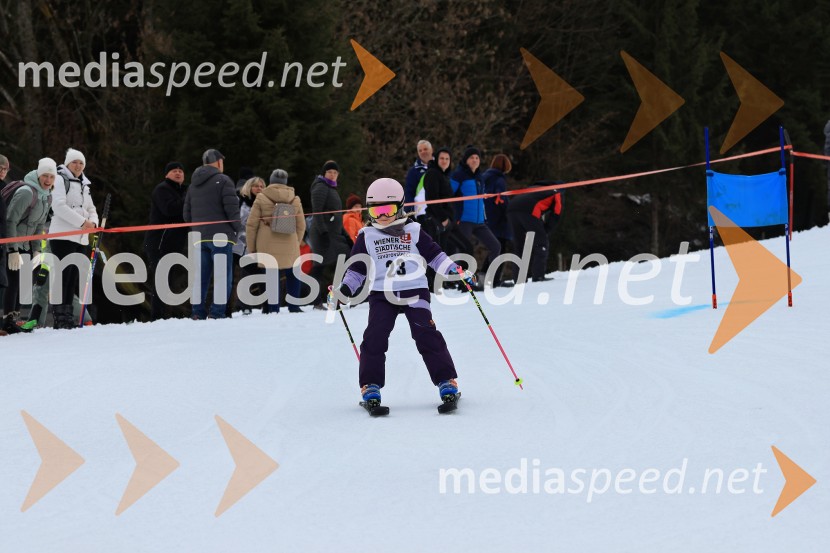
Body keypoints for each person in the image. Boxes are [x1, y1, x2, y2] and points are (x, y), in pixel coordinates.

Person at [330, 177, 472, 410]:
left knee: (425, 332)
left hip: (414, 290)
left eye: (389, 209)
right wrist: (343, 291)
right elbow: (356, 269)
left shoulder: (413, 230)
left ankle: (447, 381)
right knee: (375, 335)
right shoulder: (367, 235)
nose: (383, 215)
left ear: (401, 207)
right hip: (381, 294)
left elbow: (436, 256)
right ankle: (370, 385)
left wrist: (455, 271)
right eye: (377, 210)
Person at [183, 148, 241, 319]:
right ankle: (217, 312)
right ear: (219, 162)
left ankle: (197, 312)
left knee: (201, 277)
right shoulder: (223, 180)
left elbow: (186, 214)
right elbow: (232, 210)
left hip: (200, 238)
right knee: (223, 276)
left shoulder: (193, 184)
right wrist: (237, 229)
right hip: (222, 236)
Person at [2, 158, 55, 333]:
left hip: (26, 244)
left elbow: (39, 225)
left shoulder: (47, 196)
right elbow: (10, 220)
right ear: (39, 175)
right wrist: (12, 249)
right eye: (45, 176)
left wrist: (37, 250)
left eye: (51, 177)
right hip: (12, 243)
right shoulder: (26, 193)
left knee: (22, 282)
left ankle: (14, 318)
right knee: (13, 282)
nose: (48, 180)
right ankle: (7, 320)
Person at [48, 148, 99, 329]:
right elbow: (58, 206)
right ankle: (59, 316)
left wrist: (92, 223)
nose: (78, 166)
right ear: (67, 163)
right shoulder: (60, 179)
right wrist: (82, 222)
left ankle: (67, 315)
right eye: (74, 162)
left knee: (72, 276)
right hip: (62, 235)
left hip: (81, 237)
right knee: (63, 275)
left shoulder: (85, 184)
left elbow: (91, 208)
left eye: (81, 163)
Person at [246, 169, 306, 313]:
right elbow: (301, 225)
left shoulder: (261, 198)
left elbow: (251, 224)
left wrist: (252, 247)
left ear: (271, 181)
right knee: (293, 273)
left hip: (267, 242)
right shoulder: (295, 199)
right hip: (290, 240)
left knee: (272, 274)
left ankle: (274, 308)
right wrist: (296, 242)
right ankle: (294, 306)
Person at [450, 146, 501, 284]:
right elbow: (448, 195)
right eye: (471, 157)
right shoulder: (458, 175)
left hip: (479, 221)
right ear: (466, 160)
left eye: (477, 158)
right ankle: (460, 281)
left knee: (495, 246)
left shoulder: (480, 177)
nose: (474, 160)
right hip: (464, 220)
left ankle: (485, 276)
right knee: (463, 251)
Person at [144, 161, 188, 320]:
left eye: (181, 171)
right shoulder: (162, 189)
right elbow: (170, 210)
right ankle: (157, 317)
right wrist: (187, 199)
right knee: (161, 279)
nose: (178, 173)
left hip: (172, 242)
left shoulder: (183, 190)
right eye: (174, 171)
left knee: (168, 279)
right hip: (158, 241)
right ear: (166, 174)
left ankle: (164, 316)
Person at [308, 160, 350, 308]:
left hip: (334, 234)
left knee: (344, 260)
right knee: (320, 266)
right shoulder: (320, 187)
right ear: (324, 173)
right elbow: (318, 212)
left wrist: (345, 235)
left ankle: (337, 297)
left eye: (335, 172)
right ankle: (317, 300)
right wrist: (323, 232)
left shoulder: (331, 188)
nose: (332, 175)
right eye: (329, 172)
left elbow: (336, 216)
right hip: (322, 234)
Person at [506, 181, 563, 282]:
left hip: (511, 209)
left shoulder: (534, 187)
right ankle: (538, 276)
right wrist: (545, 230)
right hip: (529, 210)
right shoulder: (557, 192)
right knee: (541, 243)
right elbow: (556, 213)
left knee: (519, 246)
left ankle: (519, 278)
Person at [482, 153, 517, 286]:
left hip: (487, 217)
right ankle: (494, 280)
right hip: (499, 218)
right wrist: (508, 212)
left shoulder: (485, 177)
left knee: (494, 247)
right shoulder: (499, 179)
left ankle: (483, 275)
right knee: (500, 248)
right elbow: (502, 199)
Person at [232, 176, 265, 314]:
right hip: (241, 245)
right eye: (256, 186)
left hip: (259, 245)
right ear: (249, 187)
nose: (259, 188)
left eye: (262, 186)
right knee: (250, 273)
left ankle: (262, 305)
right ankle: (243, 304)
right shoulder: (241, 202)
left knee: (259, 274)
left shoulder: (266, 202)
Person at [404, 139, 433, 204]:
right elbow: (409, 193)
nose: (423, 152)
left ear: (431, 150)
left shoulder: (441, 166)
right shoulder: (413, 172)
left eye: (425, 149)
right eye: (420, 151)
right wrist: (410, 211)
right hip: (422, 210)